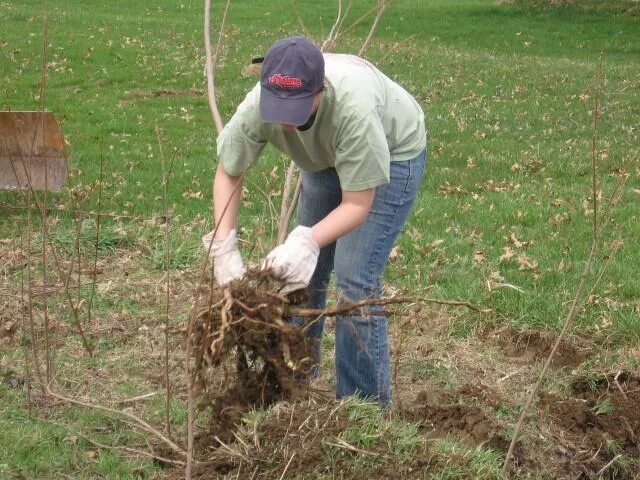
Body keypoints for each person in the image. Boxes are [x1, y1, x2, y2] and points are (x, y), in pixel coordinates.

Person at [204, 36, 427, 405]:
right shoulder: (257, 104)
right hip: (323, 158)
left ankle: (362, 407)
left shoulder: (353, 111)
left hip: (394, 151)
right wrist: (224, 246)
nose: (286, 123)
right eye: (279, 108)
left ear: (320, 91)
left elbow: (358, 203)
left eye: (298, 109)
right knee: (302, 273)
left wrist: (307, 238)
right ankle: (293, 379)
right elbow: (229, 171)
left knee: (355, 278)